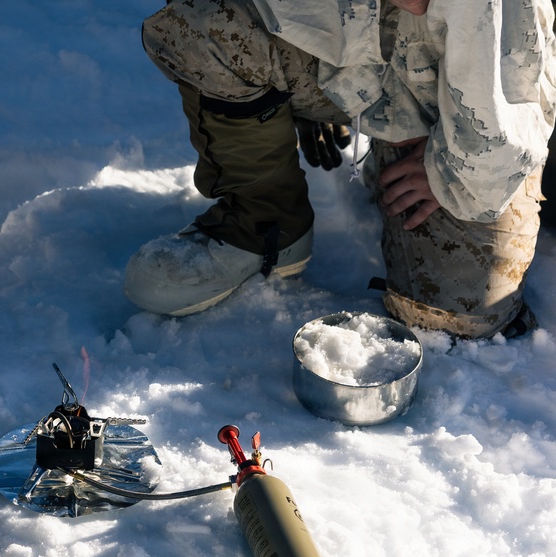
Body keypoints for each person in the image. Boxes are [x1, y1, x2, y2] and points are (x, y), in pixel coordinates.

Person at [125, 0, 556, 339]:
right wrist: (318, 53)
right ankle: (265, 226)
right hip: (368, 59)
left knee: (455, 317)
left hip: (483, 96)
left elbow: (512, 86)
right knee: (203, 27)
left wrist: (450, 170)